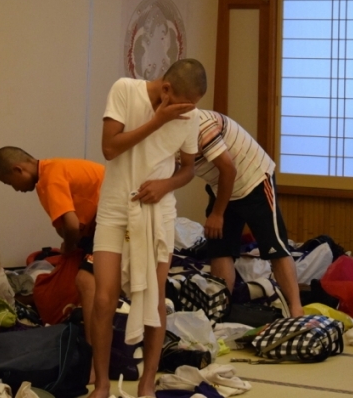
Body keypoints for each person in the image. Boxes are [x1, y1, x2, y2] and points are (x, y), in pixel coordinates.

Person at [89, 58, 206, 398]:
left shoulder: (192, 116)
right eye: (184, 104)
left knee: (155, 297)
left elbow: (188, 169)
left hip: (158, 211)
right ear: (166, 89)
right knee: (104, 298)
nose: (188, 111)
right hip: (115, 207)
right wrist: (158, 121)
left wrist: (166, 185)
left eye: (193, 106)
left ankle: (147, 384)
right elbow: (109, 148)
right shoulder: (125, 90)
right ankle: (101, 384)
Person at [194, 109, 303, 317]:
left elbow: (229, 170)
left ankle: (296, 310)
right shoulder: (165, 130)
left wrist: (217, 214)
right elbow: (182, 169)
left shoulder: (201, 125)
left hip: (254, 179)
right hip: (220, 185)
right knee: (220, 248)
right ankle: (220, 312)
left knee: (275, 247)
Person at [0, 147, 104, 343]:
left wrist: (68, 247)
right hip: (100, 222)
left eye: (10, 183)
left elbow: (72, 226)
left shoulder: (50, 179)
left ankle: (92, 346)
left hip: (115, 220)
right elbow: (67, 226)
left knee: (85, 282)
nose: (15, 189)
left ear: (18, 170)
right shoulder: (50, 171)